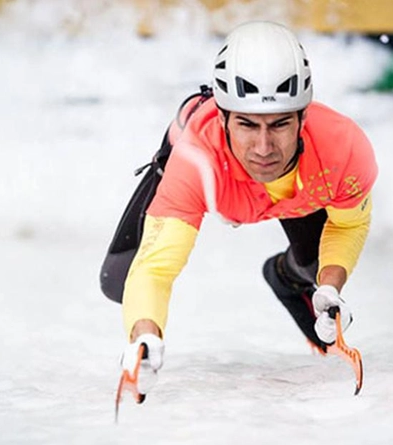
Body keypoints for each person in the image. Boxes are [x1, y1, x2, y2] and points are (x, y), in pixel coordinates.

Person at [101, 21, 378, 396]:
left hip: (298, 190)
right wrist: (144, 337)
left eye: (280, 124)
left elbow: (347, 227)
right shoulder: (195, 162)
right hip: (212, 175)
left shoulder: (344, 148)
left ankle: (287, 276)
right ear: (222, 118)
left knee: (317, 271)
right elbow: (155, 268)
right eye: (247, 124)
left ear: (303, 118)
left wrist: (331, 285)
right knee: (119, 280)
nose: (264, 147)